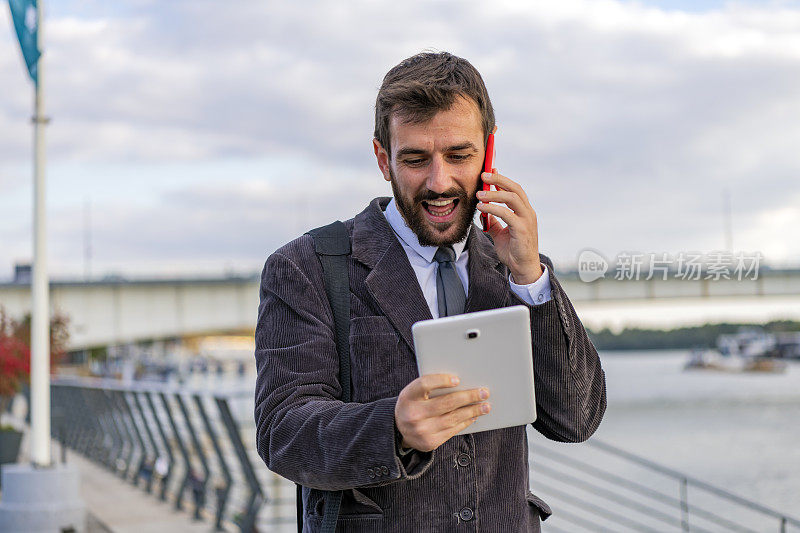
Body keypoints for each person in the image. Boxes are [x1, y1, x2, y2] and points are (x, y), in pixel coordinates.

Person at [254, 51, 606, 532]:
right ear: (383, 159)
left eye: (459, 156)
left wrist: (530, 276)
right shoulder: (305, 267)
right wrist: (392, 429)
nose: (439, 182)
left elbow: (576, 419)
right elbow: (282, 433)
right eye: (416, 159)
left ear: (489, 151)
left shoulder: (513, 264)